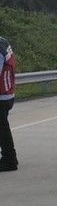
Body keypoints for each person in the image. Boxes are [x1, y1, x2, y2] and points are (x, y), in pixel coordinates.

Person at [0, 36, 17, 171]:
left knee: (2, 129)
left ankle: (9, 160)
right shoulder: (3, 41)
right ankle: (10, 158)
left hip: (2, 96)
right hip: (7, 93)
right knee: (2, 129)